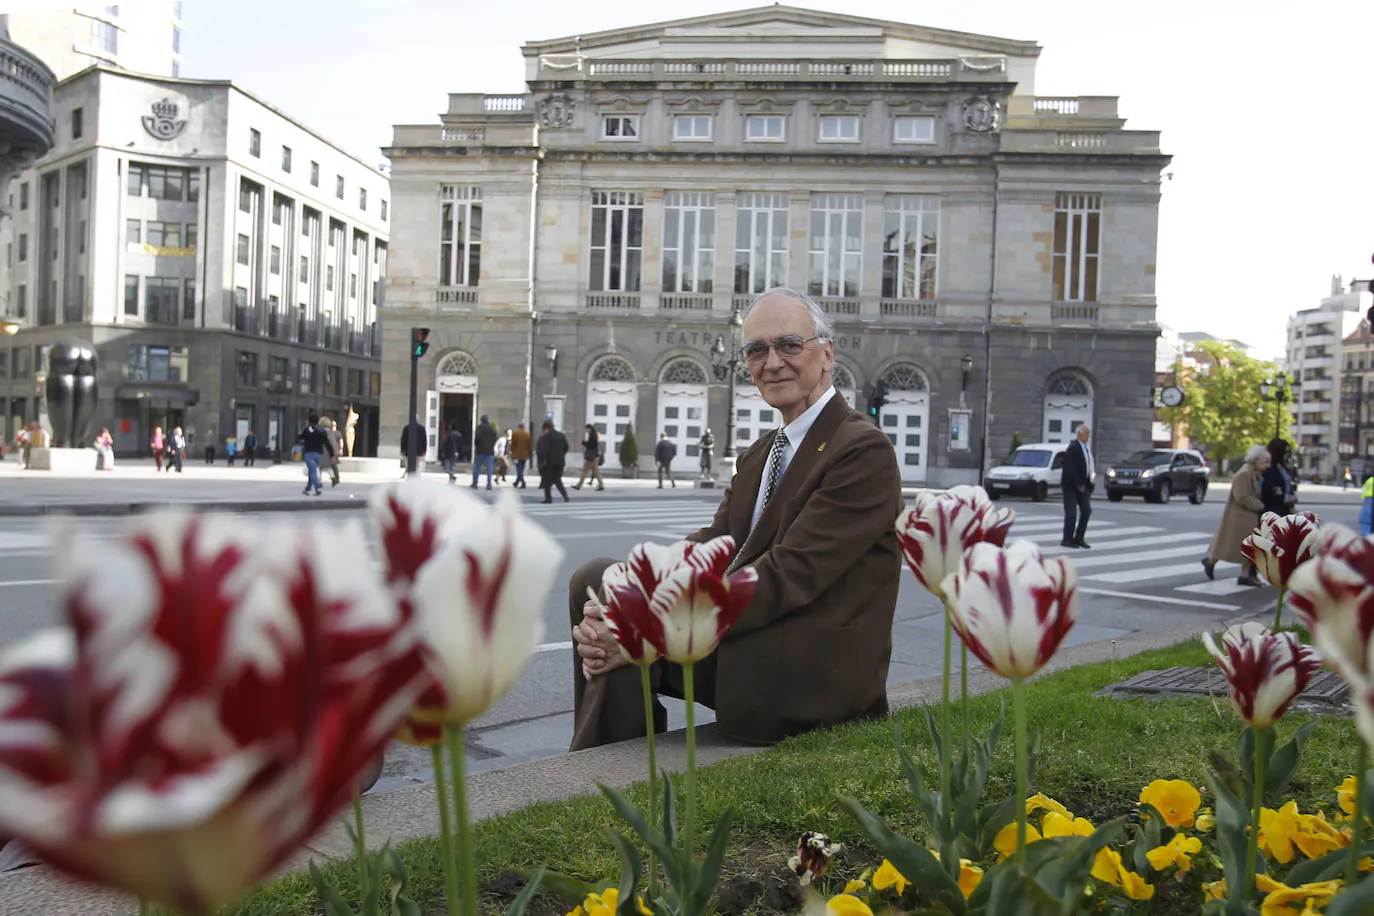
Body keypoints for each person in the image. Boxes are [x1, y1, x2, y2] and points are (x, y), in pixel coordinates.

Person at [568, 286, 902, 750]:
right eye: (757, 350)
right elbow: (716, 542)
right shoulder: (762, 452)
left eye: (789, 345)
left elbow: (789, 575)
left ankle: (597, 775)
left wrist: (646, 625)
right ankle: (609, 764)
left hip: (807, 669)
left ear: (826, 354)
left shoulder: (862, 450)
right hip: (754, 639)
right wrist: (639, 589)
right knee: (604, 580)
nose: (772, 362)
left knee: (625, 623)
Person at [1202, 444, 1269, 587]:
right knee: (1231, 545)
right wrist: (1260, 505)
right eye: (1265, 462)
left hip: (1246, 516)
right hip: (1240, 516)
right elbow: (1241, 496)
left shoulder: (1253, 472)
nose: (1267, 465)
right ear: (1255, 460)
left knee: (1246, 547)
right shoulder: (1245, 473)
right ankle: (1211, 561)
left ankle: (1244, 575)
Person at [1060, 424, 1095, 549]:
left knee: (1086, 511)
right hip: (1071, 485)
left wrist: (1089, 483)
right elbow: (1071, 468)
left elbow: (1088, 465)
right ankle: (1067, 539)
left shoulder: (1085, 448)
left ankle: (1079, 538)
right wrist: (1078, 483)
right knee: (1071, 513)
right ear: (1079, 434)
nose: (1088, 436)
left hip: (1084, 484)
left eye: (1088, 434)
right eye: (1086, 433)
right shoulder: (1073, 448)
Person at [297, 414, 335, 496]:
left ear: (309, 421)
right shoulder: (322, 431)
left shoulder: (307, 430)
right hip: (319, 454)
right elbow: (327, 444)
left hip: (309, 453)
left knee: (313, 472)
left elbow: (300, 438)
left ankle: (318, 488)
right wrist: (331, 455)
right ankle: (307, 489)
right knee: (312, 471)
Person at [535, 418, 571, 504]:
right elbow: (566, 447)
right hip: (560, 462)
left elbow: (543, 450)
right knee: (557, 479)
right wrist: (561, 455)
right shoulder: (561, 435)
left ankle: (548, 498)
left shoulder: (545, 437)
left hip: (549, 462)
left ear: (545, 428)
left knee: (547, 481)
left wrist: (541, 461)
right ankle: (565, 496)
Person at [1261, 438, 1296, 517]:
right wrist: (1285, 498)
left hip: (1286, 509)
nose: (1287, 455)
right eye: (1285, 452)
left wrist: (1292, 496)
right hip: (1274, 510)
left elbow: (1288, 485)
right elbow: (1269, 489)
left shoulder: (1283, 468)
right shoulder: (1269, 469)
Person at [572, 424, 606, 491]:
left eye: (586, 429)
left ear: (589, 429)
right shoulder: (593, 434)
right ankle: (601, 485)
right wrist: (585, 443)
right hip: (594, 457)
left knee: (585, 470)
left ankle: (579, 485)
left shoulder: (592, 435)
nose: (586, 431)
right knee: (596, 472)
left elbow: (591, 445)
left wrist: (584, 443)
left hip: (591, 457)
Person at [472, 414, 498, 490]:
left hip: (480, 450)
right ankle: (489, 484)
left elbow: (477, 438)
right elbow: (495, 438)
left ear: (481, 420)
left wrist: (476, 445)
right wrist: (491, 445)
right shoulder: (492, 428)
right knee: (489, 468)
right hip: (489, 450)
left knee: (477, 467)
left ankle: (475, 483)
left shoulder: (480, 428)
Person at [322, 417, 343, 488]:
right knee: (331, 466)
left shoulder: (320, 432)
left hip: (323, 451)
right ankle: (334, 477)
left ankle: (319, 481)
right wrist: (340, 449)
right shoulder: (333, 433)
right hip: (333, 451)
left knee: (320, 466)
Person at [510, 422, 532, 489]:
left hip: (517, 454)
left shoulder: (515, 434)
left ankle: (523, 482)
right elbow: (529, 445)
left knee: (519, 469)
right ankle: (516, 482)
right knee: (521, 469)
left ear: (519, 427)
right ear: (523, 427)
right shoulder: (527, 434)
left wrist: (511, 451)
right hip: (525, 454)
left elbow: (513, 444)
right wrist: (530, 453)